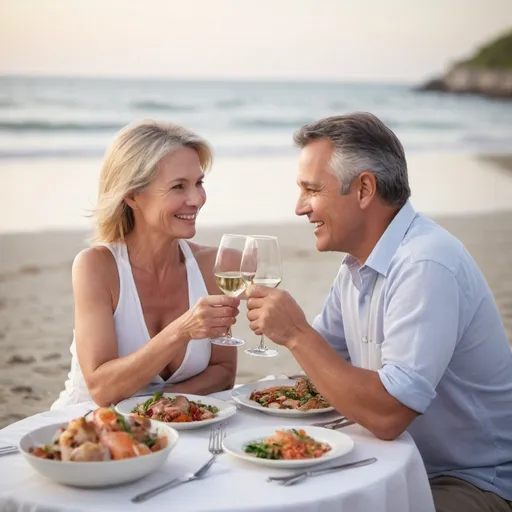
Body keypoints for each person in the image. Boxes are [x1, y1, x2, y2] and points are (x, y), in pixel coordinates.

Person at [245, 112, 512, 511]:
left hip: (471, 480)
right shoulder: (357, 266)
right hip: (395, 464)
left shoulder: (425, 263)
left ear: (364, 189)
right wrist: (245, 403)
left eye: (312, 190)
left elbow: (388, 415)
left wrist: (296, 333)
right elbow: (325, 372)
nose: (300, 207)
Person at [52, 120, 240, 409]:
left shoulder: (216, 265)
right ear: (131, 195)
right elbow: (103, 389)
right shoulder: (96, 267)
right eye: (179, 186)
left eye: (199, 183)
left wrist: (168, 404)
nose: (197, 199)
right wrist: (181, 331)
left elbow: (224, 371)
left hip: (174, 427)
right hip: (89, 430)